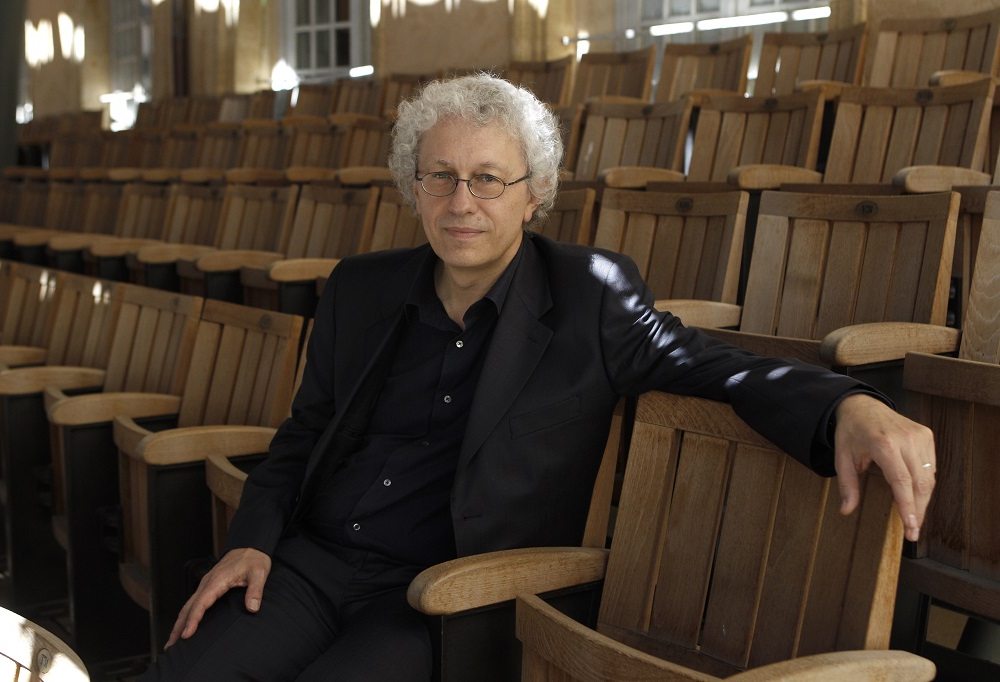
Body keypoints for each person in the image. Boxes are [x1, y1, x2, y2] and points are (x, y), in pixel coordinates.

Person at [142, 73, 935, 681]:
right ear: (412, 187)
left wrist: (849, 404)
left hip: (446, 591)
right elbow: (304, 433)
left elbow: (714, 366)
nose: (462, 202)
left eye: (488, 179)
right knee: (186, 670)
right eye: (440, 176)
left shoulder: (591, 295)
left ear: (535, 196)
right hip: (310, 565)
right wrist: (251, 541)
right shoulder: (362, 286)